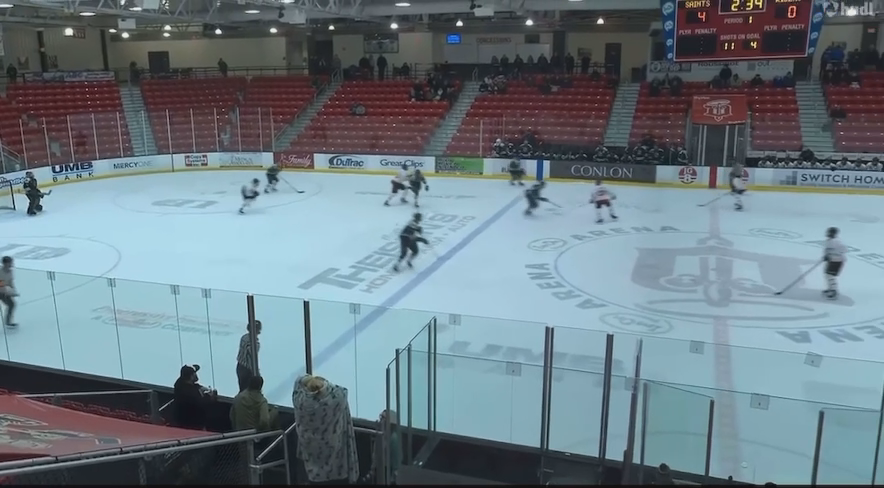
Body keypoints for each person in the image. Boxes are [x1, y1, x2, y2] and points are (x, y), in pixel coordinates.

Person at [293, 375, 359, 485]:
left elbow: (298, 380)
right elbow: (342, 390)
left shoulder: (299, 402)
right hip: (337, 466)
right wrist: (325, 385)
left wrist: (310, 380)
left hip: (313, 469)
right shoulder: (337, 399)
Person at [173, 364, 217, 430]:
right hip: (194, 425)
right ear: (191, 376)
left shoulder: (180, 385)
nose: (196, 374)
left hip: (182, 423)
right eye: (194, 373)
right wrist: (210, 396)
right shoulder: (190, 393)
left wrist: (201, 388)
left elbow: (194, 386)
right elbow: (202, 403)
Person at [236, 319, 261, 392]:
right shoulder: (254, 342)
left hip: (240, 367)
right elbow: (252, 354)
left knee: (243, 390)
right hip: (247, 370)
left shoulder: (244, 337)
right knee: (248, 391)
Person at [823, 227, 846, 300]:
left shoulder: (837, 241)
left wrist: (831, 254)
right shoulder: (829, 240)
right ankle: (831, 288)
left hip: (837, 261)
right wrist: (826, 255)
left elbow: (843, 250)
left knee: (831, 275)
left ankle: (834, 291)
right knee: (827, 275)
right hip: (832, 260)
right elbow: (827, 250)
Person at [0, 256, 17, 327]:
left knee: (11, 304)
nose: (11, 264)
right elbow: (1, 283)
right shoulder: (0, 272)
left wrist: (13, 291)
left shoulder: (10, 272)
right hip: (2, 291)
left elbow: (10, 283)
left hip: (5, 292)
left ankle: (8, 322)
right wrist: (5, 290)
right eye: (10, 262)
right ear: (5, 263)